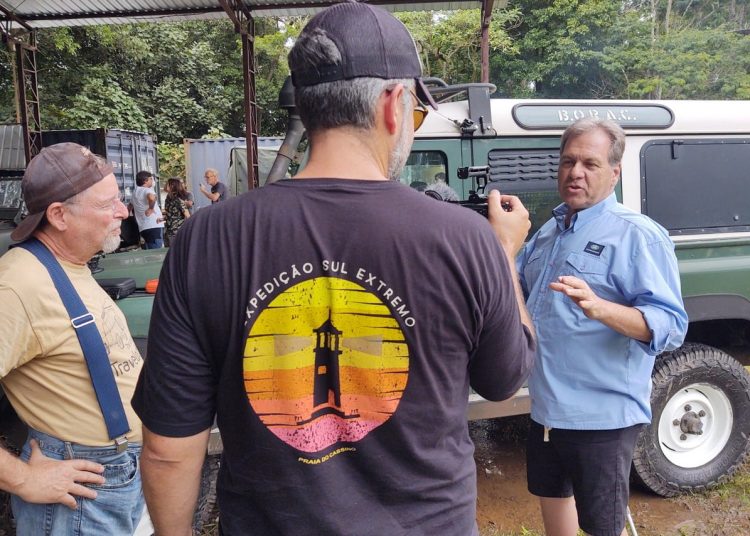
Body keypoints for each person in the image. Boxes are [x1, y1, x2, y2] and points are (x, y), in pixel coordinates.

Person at [132, 4, 536, 535]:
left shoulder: (206, 238)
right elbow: (504, 380)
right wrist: (504, 253)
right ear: (393, 105)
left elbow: (168, 448)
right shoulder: (465, 239)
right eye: (416, 113)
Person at [516, 118, 688, 536]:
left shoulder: (637, 235)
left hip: (601, 420)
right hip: (545, 411)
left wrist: (601, 308)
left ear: (614, 172)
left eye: (590, 164)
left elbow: (671, 326)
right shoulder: (548, 233)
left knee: (602, 527)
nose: (575, 172)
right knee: (554, 508)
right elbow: (514, 291)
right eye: (568, 161)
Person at [0, 143, 145, 535]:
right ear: (59, 215)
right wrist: (22, 478)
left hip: (115, 477)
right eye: (108, 204)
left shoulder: (69, 265)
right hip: (80, 493)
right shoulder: (17, 286)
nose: (123, 211)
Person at [132, 170, 164, 249]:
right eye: (151, 179)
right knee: (156, 252)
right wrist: (151, 208)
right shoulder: (147, 190)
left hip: (143, 227)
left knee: (148, 252)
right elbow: (152, 198)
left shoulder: (135, 192)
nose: (152, 181)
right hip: (154, 225)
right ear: (145, 181)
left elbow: (130, 206)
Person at [163, 177, 191, 246]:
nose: (165, 185)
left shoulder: (178, 200)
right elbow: (171, 214)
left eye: (167, 184)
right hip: (168, 231)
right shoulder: (168, 198)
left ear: (172, 186)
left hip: (177, 232)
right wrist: (163, 218)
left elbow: (188, 216)